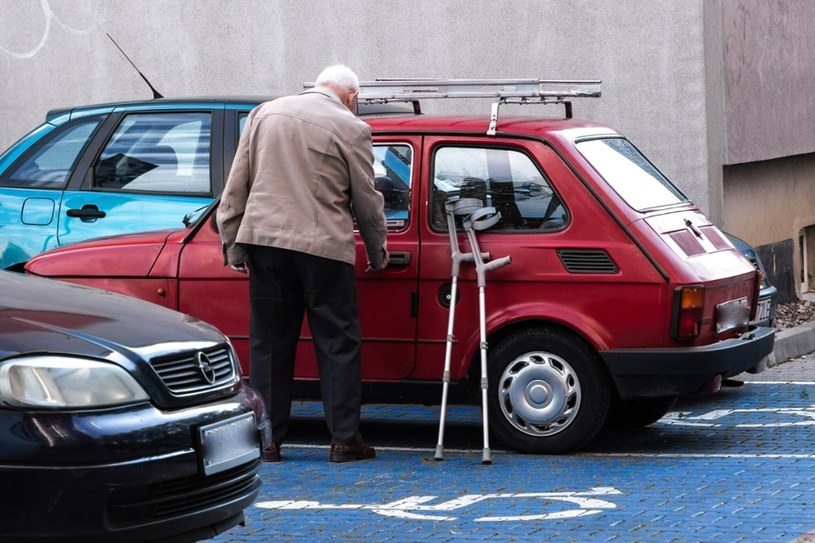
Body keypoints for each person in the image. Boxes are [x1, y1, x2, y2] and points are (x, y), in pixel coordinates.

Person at [216, 65, 389, 463]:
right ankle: (345, 440)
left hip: (265, 244)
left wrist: (233, 245)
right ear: (350, 96)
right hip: (323, 248)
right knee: (337, 343)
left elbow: (236, 183)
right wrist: (378, 251)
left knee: (270, 345)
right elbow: (366, 198)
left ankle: (269, 441)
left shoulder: (265, 113)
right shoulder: (351, 127)